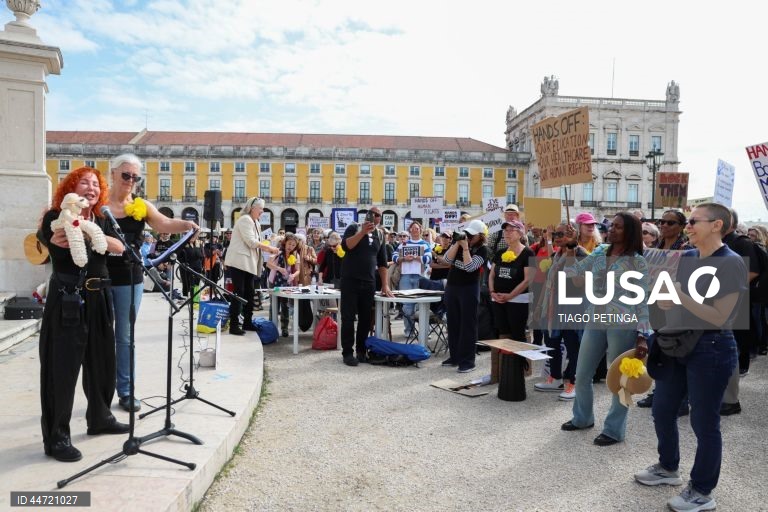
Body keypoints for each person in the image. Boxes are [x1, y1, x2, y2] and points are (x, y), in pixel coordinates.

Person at [635, 202, 746, 512]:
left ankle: (702, 490)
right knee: (662, 409)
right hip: (676, 344)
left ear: (717, 225)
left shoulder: (731, 262)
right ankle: (668, 467)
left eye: (695, 221)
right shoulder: (687, 256)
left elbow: (720, 315)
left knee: (704, 422)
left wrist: (681, 296)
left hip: (711, 348)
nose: (688, 226)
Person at [38, 166, 129, 462]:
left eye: (95, 184)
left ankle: (100, 417)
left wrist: (95, 236)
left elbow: (120, 246)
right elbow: (51, 236)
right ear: (70, 189)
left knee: (103, 360)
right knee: (61, 369)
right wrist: (58, 237)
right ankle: (57, 437)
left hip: (100, 295)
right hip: (69, 298)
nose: (90, 188)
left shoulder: (102, 218)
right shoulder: (56, 216)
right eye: (83, 183)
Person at [106, 154, 198, 412]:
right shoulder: (98, 203)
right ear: (113, 173)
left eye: (136, 177)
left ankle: (126, 390)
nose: (130, 181)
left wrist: (187, 224)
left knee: (124, 336)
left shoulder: (141, 205)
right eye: (126, 175)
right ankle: (99, 391)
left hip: (129, 278)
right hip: (98, 276)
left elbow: (164, 223)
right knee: (98, 336)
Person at [560, 212, 651, 446]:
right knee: (582, 374)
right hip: (595, 319)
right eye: (611, 225)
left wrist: (643, 335)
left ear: (629, 232)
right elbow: (574, 275)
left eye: (618, 227)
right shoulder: (600, 252)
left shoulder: (637, 261)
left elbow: (643, 299)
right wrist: (570, 249)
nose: (611, 229)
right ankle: (582, 418)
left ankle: (613, 430)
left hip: (624, 324)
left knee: (619, 379)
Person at [532, 222, 587, 401]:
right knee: (552, 343)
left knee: (573, 346)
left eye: (563, 233)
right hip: (553, 307)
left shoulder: (581, 254)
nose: (558, 236)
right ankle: (555, 378)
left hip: (572, 307)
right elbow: (549, 283)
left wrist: (571, 251)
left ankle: (573, 382)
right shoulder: (557, 254)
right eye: (556, 233)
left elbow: (579, 282)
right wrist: (539, 306)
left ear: (574, 235)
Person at [339, 206, 393, 366]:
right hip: (350, 280)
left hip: (369, 282)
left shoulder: (380, 234)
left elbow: (382, 262)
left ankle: (361, 351)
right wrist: (362, 232)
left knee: (366, 318)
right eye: (373, 214)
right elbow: (345, 246)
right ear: (367, 215)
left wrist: (385, 285)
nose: (376, 217)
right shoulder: (354, 227)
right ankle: (347, 353)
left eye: (379, 215)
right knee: (348, 317)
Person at [720, 207, 760, 415]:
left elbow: (752, 271)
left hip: (734, 304)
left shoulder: (741, 243)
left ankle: (730, 400)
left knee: (730, 351)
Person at [443, 219, 491, 373]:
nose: (468, 237)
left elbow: (470, 267)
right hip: (452, 286)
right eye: (467, 234)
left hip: (469, 289)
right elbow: (446, 260)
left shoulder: (483, 250)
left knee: (467, 325)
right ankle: (455, 356)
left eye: (472, 235)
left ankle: (468, 361)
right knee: (453, 322)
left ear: (480, 236)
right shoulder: (460, 244)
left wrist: (465, 249)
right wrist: (457, 243)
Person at [225, 197, 278, 335]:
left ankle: (247, 322)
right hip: (239, 262)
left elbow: (256, 242)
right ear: (252, 208)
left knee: (249, 292)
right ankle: (234, 325)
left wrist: (270, 243)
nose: (262, 211)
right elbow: (251, 242)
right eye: (260, 208)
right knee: (239, 292)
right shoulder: (245, 220)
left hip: (249, 263)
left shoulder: (256, 222)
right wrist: (269, 249)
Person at [488, 220, 533, 343]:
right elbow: (492, 275)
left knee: (518, 334)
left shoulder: (528, 253)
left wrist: (510, 296)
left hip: (518, 301)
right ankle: (506, 362)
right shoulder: (500, 252)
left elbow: (528, 279)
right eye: (505, 230)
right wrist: (492, 292)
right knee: (503, 333)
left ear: (520, 234)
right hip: (498, 299)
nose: (507, 233)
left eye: (511, 230)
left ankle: (521, 362)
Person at [392, 221, 432, 338]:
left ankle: (424, 332)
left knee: (422, 305)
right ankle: (409, 331)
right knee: (407, 306)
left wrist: (418, 258)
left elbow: (429, 259)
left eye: (417, 228)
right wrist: (404, 258)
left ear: (420, 230)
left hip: (420, 277)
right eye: (413, 228)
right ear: (410, 230)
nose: (415, 230)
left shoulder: (425, 244)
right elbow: (394, 257)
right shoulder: (403, 244)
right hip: (406, 276)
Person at [267, 232, 302, 337]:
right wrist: (279, 268)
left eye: (293, 245)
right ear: (285, 243)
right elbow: (268, 264)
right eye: (289, 244)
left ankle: (284, 328)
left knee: (285, 305)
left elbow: (298, 270)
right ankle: (271, 327)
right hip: (275, 282)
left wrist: (293, 275)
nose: (290, 247)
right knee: (274, 305)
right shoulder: (277, 252)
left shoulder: (296, 255)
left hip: (287, 283)